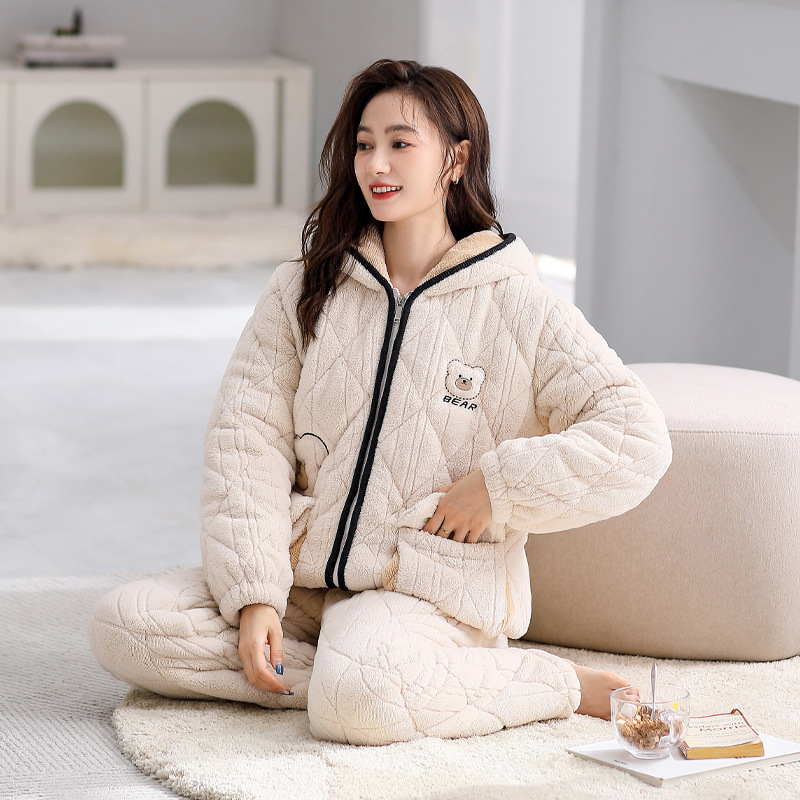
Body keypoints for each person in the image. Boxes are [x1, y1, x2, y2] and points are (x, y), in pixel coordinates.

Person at [90, 59, 671, 745]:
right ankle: (374, 681)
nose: (376, 164)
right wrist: (253, 595)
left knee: (359, 701)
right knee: (128, 625)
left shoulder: (521, 307)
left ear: (456, 160)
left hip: (420, 591)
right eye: (364, 144)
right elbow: (246, 441)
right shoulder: (304, 288)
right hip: (303, 578)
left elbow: (636, 437)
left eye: (400, 143)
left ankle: (554, 683)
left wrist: (500, 487)